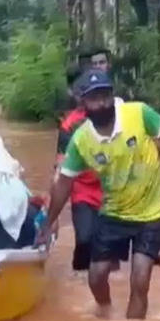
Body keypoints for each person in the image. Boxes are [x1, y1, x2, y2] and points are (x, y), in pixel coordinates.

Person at [37, 70, 160, 320]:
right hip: (113, 213)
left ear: (113, 96)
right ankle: (106, 312)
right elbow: (64, 184)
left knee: (140, 278)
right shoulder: (81, 140)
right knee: (96, 274)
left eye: (105, 96)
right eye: (94, 98)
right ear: (83, 103)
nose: (101, 103)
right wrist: (48, 224)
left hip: (152, 213)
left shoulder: (138, 113)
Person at [55, 67, 105, 275]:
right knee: (84, 239)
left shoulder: (115, 115)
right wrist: (53, 209)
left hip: (113, 189)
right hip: (82, 190)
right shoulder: (69, 126)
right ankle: (81, 278)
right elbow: (60, 167)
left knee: (107, 247)